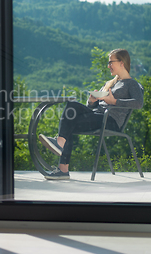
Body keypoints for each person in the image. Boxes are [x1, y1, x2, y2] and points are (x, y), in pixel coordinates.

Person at [39, 48, 144, 180]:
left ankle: (59, 146)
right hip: (98, 115)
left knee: (69, 120)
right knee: (71, 109)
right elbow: (93, 106)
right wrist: (92, 100)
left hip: (110, 120)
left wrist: (114, 101)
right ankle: (63, 169)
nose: (109, 65)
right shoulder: (109, 83)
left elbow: (139, 103)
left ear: (122, 63)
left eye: (111, 62)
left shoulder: (132, 84)